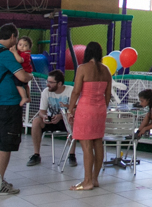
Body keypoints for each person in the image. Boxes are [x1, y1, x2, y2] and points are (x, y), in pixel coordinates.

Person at [0, 23, 32, 195]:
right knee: (7, 142)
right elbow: (22, 76)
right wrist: (30, 76)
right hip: (9, 102)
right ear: (13, 36)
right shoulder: (5, 55)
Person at [67, 41, 111, 190]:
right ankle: (95, 178)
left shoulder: (82, 68)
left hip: (85, 109)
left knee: (86, 146)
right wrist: (102, 108)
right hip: (100, 110)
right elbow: (108, 94)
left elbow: (76, 91)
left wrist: (70, 109)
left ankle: (87, 181)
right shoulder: (106, 70)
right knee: (98, 143)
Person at [26, 70, 74, 167]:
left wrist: (61, 116)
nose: (48, 84)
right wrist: (43, 117)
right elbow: (42, 111)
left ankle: (72, 155)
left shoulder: (70, 90)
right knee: (36, 121)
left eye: (51, 82)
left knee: (71, 121)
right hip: (51, 119)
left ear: (59, 83)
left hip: (65, 118)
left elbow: (76, 109)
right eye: (47, 82)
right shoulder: (46, 92)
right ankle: (36, 154)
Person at [10, 36, 34, 111]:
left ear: (29, 48)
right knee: (26, 86)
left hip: (24, 72)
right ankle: (28, 97)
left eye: (25, 45)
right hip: (26, 71)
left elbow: (20, 60)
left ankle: (24, 98)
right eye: (20, 44)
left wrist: (14, 52)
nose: (22, 47)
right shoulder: (21, 52)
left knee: (18, 85)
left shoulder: (25, 54)